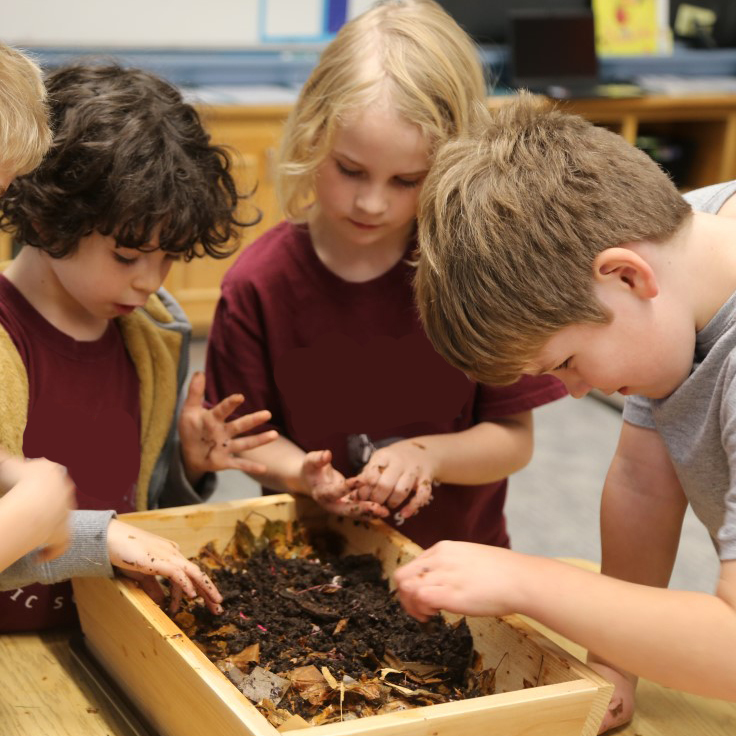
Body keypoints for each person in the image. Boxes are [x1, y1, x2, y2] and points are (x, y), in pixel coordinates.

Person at [394, 92, 736, 731]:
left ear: (627, 278)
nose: (576, 393)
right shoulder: (680, 236)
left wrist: (527, 581)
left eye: (566, 363)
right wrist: (613, 668)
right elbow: (643, 483)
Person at [205, 0, 565, 550]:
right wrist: (306, 473)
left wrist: (425, 457)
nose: (372, 203)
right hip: (321, 565)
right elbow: (248, 441)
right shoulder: (257, 285)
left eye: (406, 180)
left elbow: (513, 440)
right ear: (310, 135)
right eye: (350, 170)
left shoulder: (479, 272)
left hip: (459, 561)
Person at [0, 60, 278, 629]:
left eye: (169, 256)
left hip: (110, 636)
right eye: (127, 257)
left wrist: (187, 466)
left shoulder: (152, 336)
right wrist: (92, 538)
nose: (151, 281)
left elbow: (140, 501)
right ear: (51, 219)